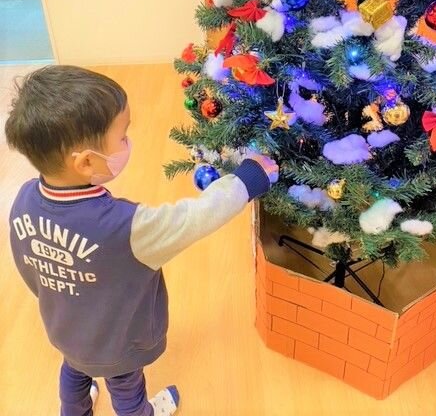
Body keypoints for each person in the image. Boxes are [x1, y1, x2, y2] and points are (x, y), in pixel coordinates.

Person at [5, 65, 278, 416]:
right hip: (119, 345)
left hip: (65, 331)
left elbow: (30, 269)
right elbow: (195, 218)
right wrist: (247, 179)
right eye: (122, 137)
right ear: (86, 162)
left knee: (73, 371)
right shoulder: (126, 227)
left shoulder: (24, 200)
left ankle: (73, 411)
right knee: (127, 390)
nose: (128, 143)